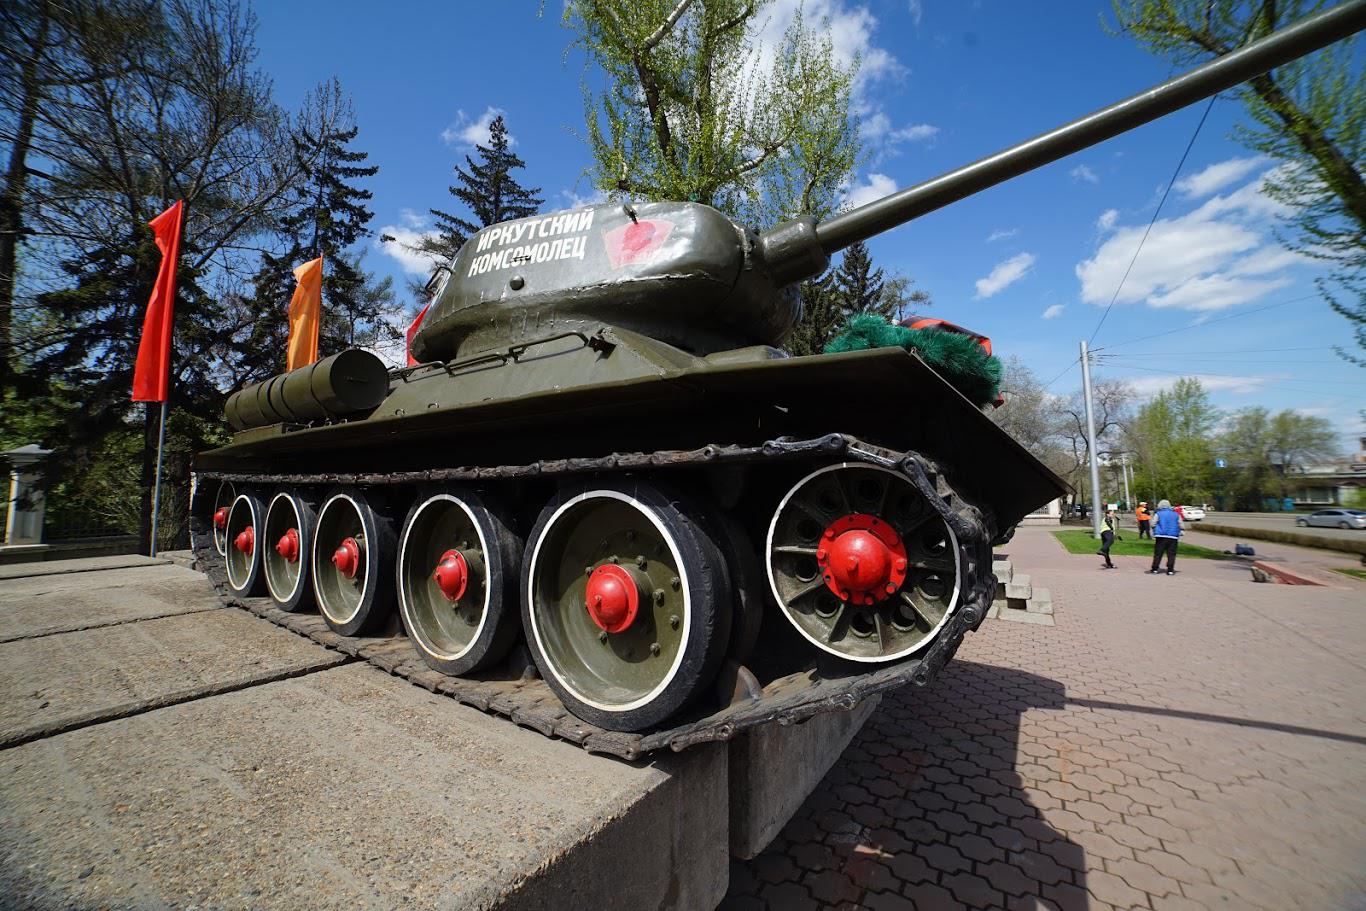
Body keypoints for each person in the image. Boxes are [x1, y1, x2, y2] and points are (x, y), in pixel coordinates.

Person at [1148, 499, 1181, 575]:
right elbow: (1180, 524)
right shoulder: (1176, 514)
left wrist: (1155, 529)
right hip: (1173, 536)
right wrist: (1180, 531)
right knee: (1171, 554)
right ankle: (1170, 570)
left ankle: (1155, 569)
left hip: (1161, 536)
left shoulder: (1158, 514)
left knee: (1158, 553)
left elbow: (1153, 523)